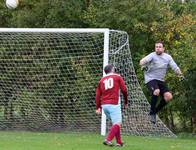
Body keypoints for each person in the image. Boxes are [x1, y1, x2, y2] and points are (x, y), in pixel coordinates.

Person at [139, 41, 183, 124]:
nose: (158, 48)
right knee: (156, 91)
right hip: (150, 79)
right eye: (156, 47)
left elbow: (175, 67)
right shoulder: (152, 55)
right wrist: (143, 64)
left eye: (159, 47)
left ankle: (154, 111)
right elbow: (142, 61)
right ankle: (152, 113)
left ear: (163, 48)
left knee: (168, 97)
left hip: (160, 80)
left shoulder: (168, 57)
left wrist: (180, 74)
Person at [95, 64, 128, 147]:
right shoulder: (117, 77)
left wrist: (98, 107)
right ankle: (108, 139)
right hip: (114, 104)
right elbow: (124, 90)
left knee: (115, 124)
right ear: (112, 69)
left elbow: (98, 95)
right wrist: (126, 101)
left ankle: (119, 142)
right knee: (117, 123)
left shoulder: (101, 80)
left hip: (104, 105)